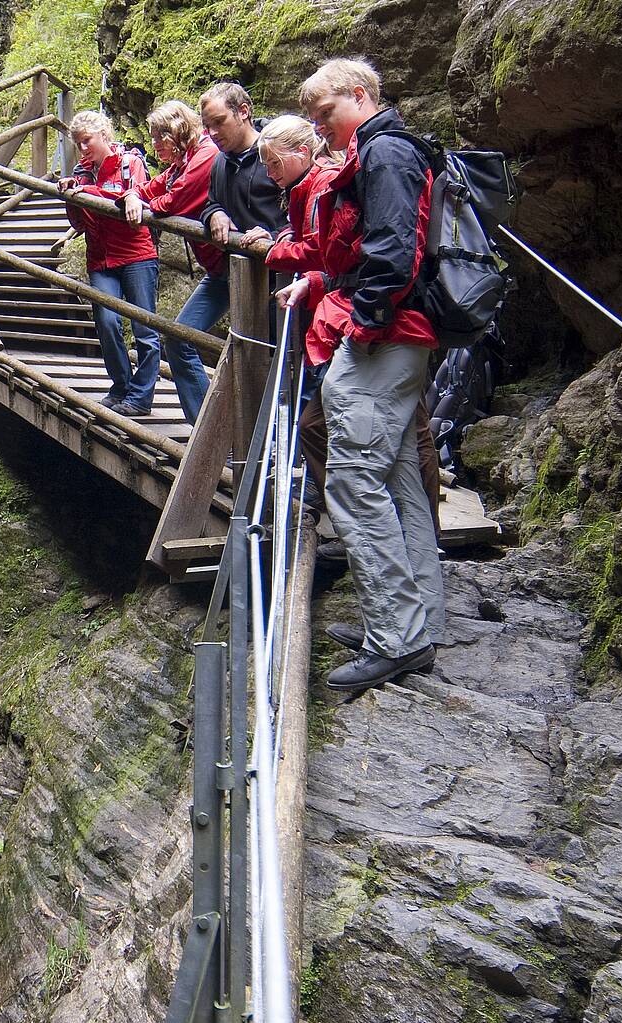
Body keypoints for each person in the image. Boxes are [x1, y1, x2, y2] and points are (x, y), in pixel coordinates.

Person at [274, 57, 445, 693]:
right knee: (397, 477)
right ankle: (417, 621)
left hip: (384, 335)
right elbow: (363, 253)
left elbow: (393, 251)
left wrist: (360, 322)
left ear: (360, 94)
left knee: (350, 483)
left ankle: (396, 638)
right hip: (398, 333)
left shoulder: (386, 155)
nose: (320, 130)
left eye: (325, 115)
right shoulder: (381, 152)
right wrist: (324, 282)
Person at [247, 116, 443, 534]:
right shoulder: (313, 185)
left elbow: (343, 251)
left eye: (273, 162)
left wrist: (281, 256)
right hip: (354, 315)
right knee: (383, 428)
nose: (269, 173)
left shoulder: (341, 176)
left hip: (376, 320)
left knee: (401, 427)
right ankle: (393, 528)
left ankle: (393, 529)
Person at [124, 100, 223, 422]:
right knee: (179, 338)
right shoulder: (183, 162)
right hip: (219, 270)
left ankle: (219, 432)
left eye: (157, 137)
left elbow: (174, 200)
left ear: (176, 132)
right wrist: (132, 196)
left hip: (242, 268)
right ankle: (206, 428)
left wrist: (144, 204)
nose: (153, 145)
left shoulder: (205, 156)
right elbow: (150, 187)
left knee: (260, 352)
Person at [60, 111, 160, 417]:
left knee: (144, 328)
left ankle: (141, 397)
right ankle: (120, 387)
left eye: (86, 140)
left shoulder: (132, 164)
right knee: (107, 322)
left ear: (104, 134)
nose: (83, 148)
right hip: (100, 258)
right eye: (78, 143)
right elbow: (78, 222)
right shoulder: (82, 172)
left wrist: (86, 193)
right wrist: (71, 198)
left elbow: (131, 199)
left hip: (136, 254)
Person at [194, 83, 286, 249]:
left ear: (244, 111)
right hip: (237, 267)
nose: (212, 133)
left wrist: (274, 236)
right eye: (208, 126)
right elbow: (212, 202)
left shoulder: (278, 154)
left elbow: (304, 216)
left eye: (219, 121)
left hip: (279, 267)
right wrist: (215, 213)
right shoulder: (219, 161)